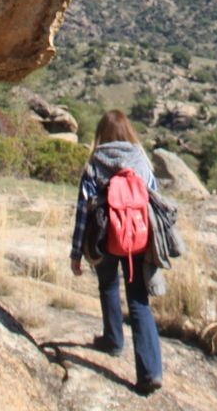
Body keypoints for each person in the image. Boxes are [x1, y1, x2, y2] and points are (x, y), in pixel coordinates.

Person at [69, 109, 164, 395]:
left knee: (108, 284)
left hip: (103, 236)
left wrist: (76, 252)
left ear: (102, 134)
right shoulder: (140, 159)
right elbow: (154, 198)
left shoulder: (95, 163)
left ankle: (113, 339)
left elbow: (83, 212)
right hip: (137, 236)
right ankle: (150, 372)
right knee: (138, 299)